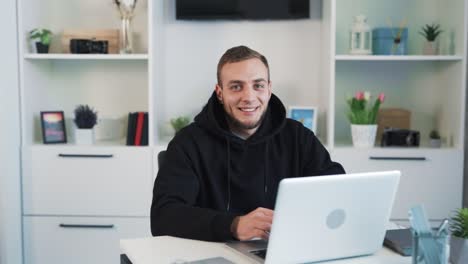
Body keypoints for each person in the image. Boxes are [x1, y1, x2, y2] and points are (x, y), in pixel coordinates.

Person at [151, 45, 345, 242]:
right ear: (219, 92)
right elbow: (163, 216)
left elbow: (338, 193)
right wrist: (233, 225)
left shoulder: (297, 137)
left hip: (284, 251)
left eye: (258, 85)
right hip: (212, 255)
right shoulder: (188, 143)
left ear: (269, 89)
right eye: (236, 86)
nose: (249, 97)